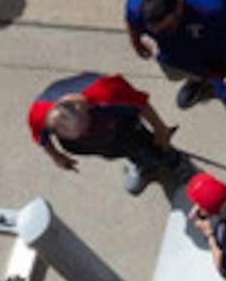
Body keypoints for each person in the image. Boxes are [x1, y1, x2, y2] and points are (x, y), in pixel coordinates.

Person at [29, 71, 187, 192]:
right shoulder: (39, 114)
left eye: (82, 130)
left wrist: (160, 130)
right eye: (76, 136)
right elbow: (41, 137)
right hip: (102, 142)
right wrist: (57, 156)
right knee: (119, 152)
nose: (83, 135)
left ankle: (174, 161)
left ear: (86, 113)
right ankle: (141, 164)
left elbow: (141, 104)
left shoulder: (108, 93)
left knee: (146, 145)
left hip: (122, 127)